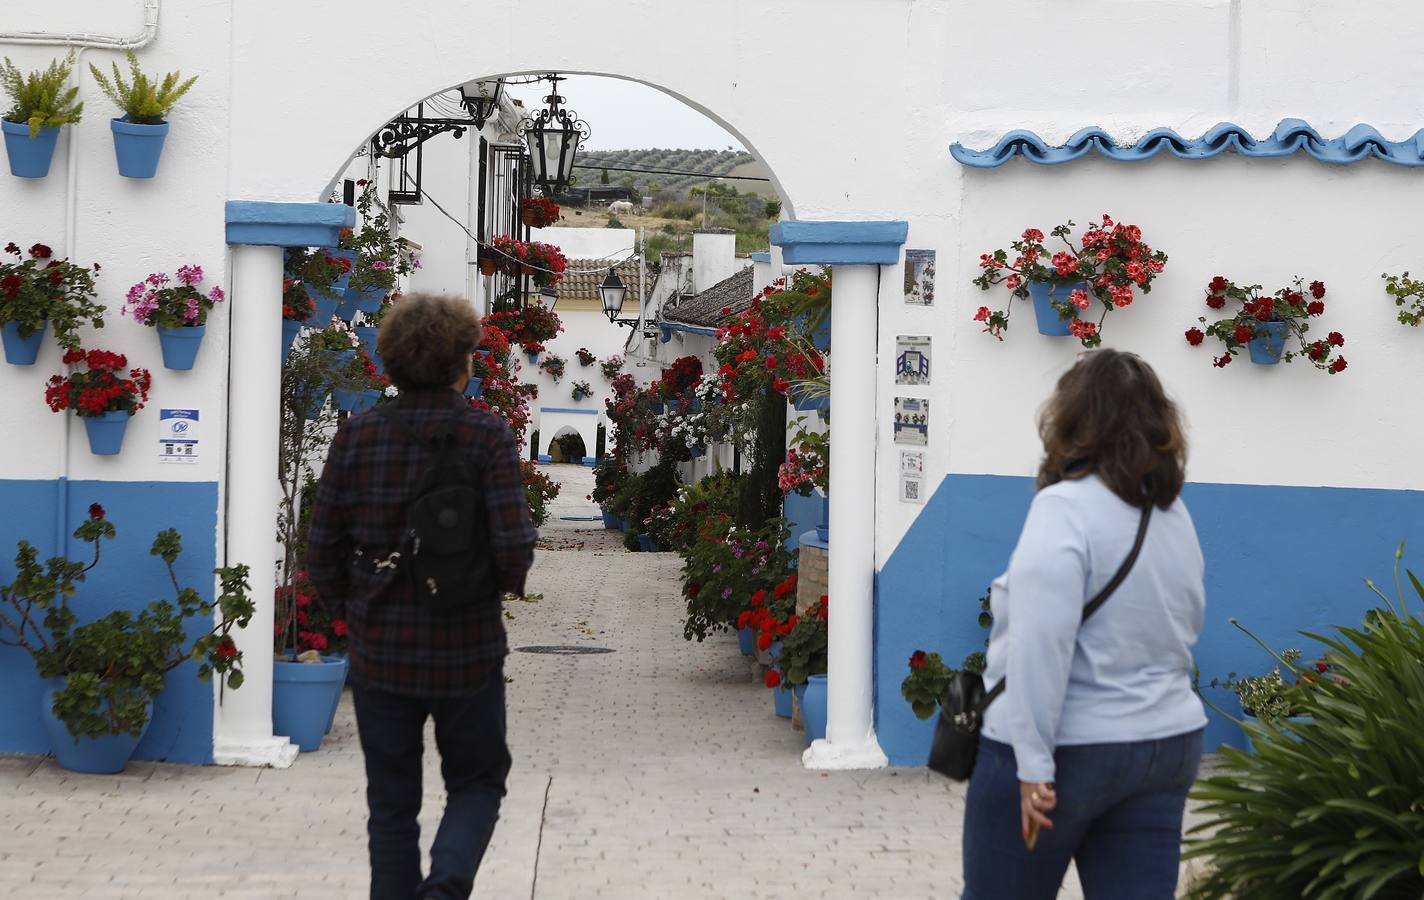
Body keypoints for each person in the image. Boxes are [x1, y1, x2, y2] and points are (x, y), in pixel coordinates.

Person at [307, 292, 536, 900]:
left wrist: (354, 614)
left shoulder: (356, 437)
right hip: (467, 647)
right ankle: (447, 885)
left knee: (390, 805)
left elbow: (322, 550)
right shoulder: (487, 436)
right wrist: (488, 593)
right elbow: (515, 546)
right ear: (464, 363)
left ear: (390, 363)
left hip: (381, 650)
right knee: (479, 781)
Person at [961, 349, 1207, 900]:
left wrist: (1032, 766)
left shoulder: (1065, 509)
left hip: (1069, 754)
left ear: (1072, 420)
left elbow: (1039, 646)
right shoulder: (1172, 515)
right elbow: (1187, 624)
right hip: (1163, 745)